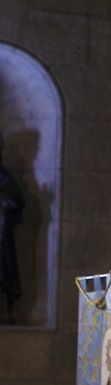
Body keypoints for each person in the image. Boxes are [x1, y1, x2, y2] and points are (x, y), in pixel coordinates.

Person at [0, 135, 22, 325]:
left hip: (2, 234)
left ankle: (7, 311)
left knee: (5, 270)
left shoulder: (5, 176)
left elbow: (16, 202)